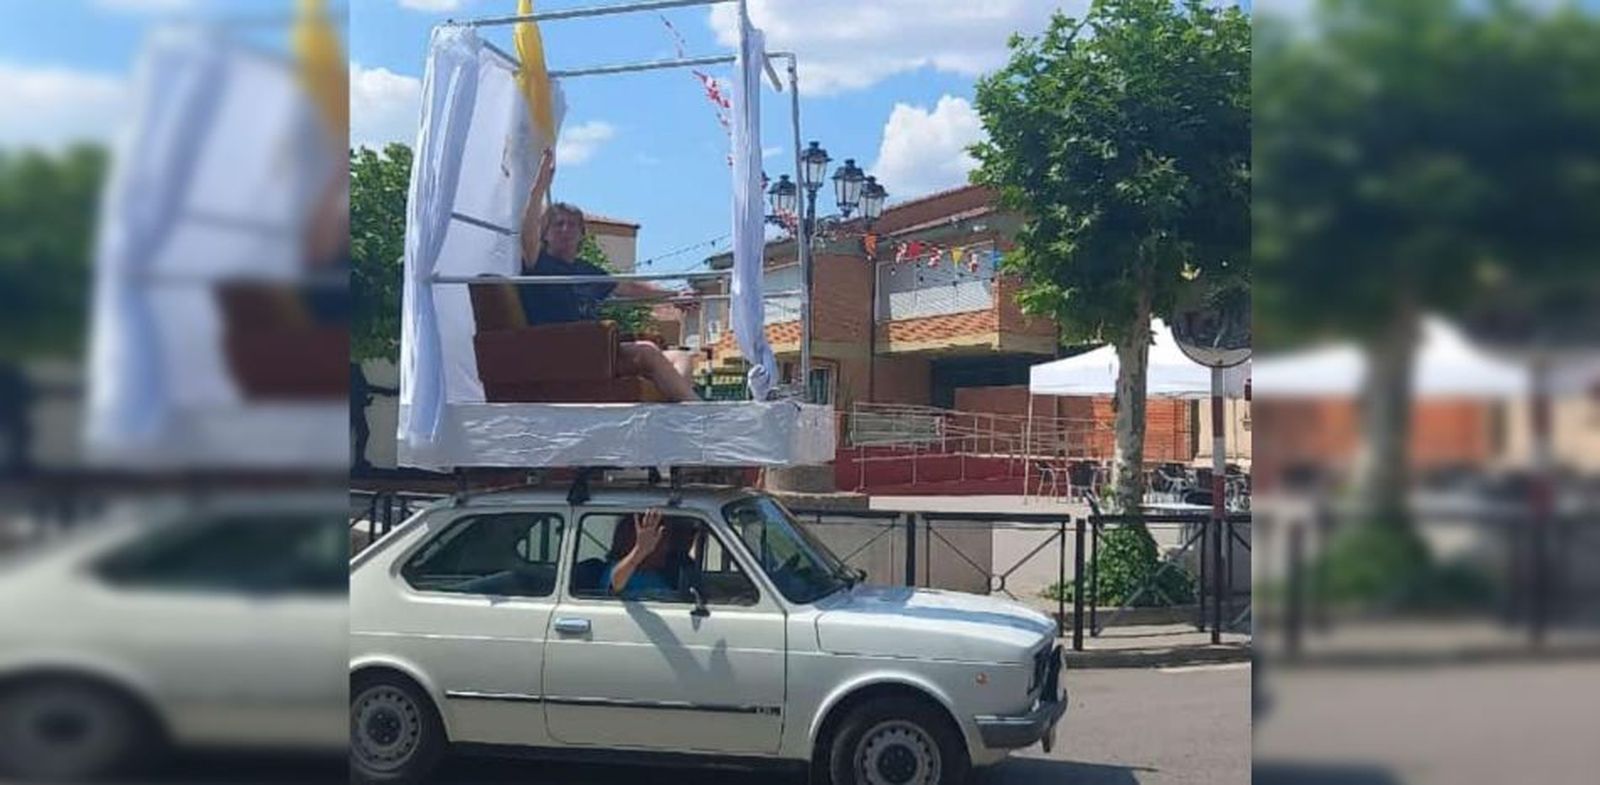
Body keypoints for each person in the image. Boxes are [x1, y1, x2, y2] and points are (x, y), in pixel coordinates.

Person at [520, 151, 699, 402]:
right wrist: (539, 187)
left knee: (682, 357)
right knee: (647, 352)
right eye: (558, 224)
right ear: (545, 233)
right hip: (559, 350)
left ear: (582, 235)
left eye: (572, 225)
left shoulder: (586, 270)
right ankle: (697, 412)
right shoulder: (537, 262)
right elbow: (527, 232)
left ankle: (676, 414)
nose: (566, 229)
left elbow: (629, 288)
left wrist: (674, 295)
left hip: (595, 349)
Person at [604, 509, 696, 599]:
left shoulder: (657, 576)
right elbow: (615, 585)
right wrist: (639, 551)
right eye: (660, 539)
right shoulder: (619, 571)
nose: (666, 548)